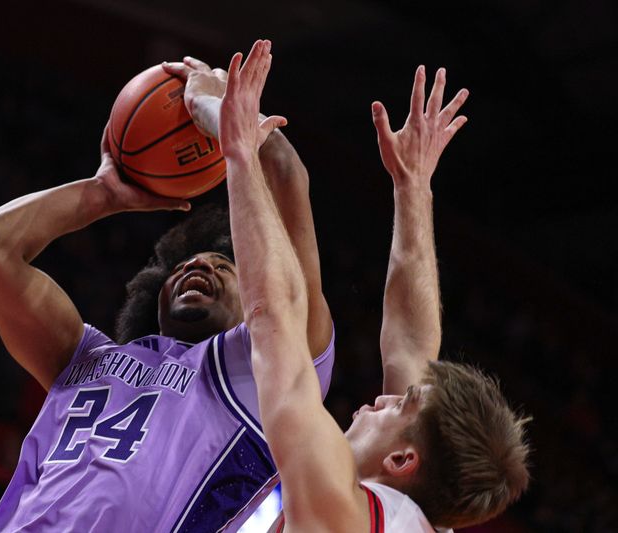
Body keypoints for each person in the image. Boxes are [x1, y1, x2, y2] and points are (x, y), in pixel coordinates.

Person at [0, 40, 334, 531]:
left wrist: (231, 119)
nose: (200, 265)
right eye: (184, 264)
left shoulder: (260, 380)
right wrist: (102, 195)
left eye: (225, 265)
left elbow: (287, 180)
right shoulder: (83, 357)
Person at [227, 61, 531, 532]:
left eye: (401, 404)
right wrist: (413, 185)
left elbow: (274, 320)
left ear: (403, 458)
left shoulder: (340, 510)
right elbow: (411, 343)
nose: (381, 401)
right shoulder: (416, 513)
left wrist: (241, 153)